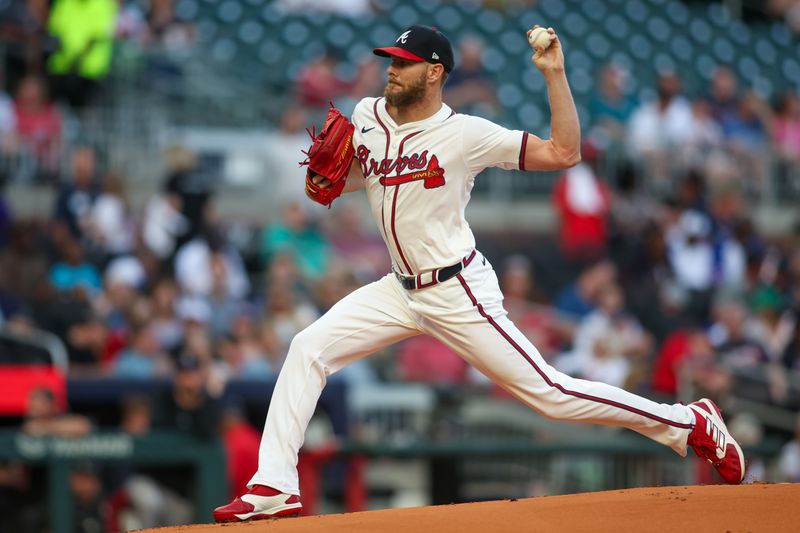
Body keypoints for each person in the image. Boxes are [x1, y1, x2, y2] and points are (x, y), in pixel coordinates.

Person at [213, 24, 745, 523]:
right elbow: (357, 178)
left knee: (552, 394)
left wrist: (554, 74)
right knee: (308, 347)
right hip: (398, 289)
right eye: (390, 62)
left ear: (436, 72)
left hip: (456, 289)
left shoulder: (466, 134)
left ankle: (688, 423)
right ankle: (275, 484)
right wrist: (329, 183)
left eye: (404, 63)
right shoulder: (368, 114)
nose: (391, 71)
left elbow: (564, 152)